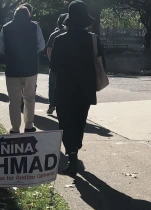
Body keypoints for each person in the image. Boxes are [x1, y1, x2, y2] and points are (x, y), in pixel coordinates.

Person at [50, 0, 104, 174]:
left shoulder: (59, 40)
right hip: (85, 89)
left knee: (65, 123)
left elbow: (54, 67)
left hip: (65, 89)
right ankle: (76, 148)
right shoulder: (93, 40)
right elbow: (102, 64)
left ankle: (72, 156)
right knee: (80, 121)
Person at [0, 6, 45, 134]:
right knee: (29, 98)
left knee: (14, 100)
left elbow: (0, 47)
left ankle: (15, 128)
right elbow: (41, 45)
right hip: (30, 68)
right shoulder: (34, 27)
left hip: (12, 68)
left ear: (15, 15)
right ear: (28, 15)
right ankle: (29, 125)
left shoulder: (6, 27)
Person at [46, 14, 68, 115]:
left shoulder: (54, 34)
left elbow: (49, 50)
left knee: (52, 86)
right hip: (67, 66)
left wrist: (52, 62)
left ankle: (52, 105)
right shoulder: (70, 34)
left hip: (55, 65)